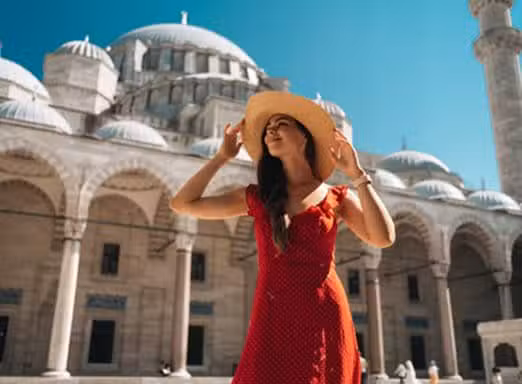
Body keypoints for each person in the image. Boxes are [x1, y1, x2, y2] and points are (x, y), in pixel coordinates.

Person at [170, 91, 395, 383]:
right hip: (273, 317)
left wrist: (357, 175)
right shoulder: (259, 198)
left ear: (304, 136)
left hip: (324, 314)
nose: (271, 131)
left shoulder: (336, 197)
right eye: (267, 130)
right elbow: (182, 204)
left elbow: (383, 237)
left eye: (281, 124)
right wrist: (221, 157)